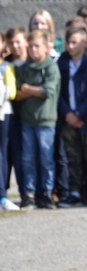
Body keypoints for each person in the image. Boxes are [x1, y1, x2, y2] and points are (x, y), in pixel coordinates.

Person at [56, 26, 87, 207]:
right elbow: (58, 92)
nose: (70, 46)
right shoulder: (61, 64)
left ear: (84, 43)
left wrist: (79, 113)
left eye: (74, 42)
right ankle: (74, 192)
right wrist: (67, 113)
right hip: (68, 119)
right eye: (68, 42)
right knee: (72, 156)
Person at [15, 30, 61, 209]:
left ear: (45, 47)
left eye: (37, 46)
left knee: (46, 158)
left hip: (46, 121)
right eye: (31, 46)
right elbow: (17, 93)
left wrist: (27, 88)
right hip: (27, 120)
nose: (33, 50)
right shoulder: (24, 67)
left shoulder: (50, 67)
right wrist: (30, 89)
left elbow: (48, 91)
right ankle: (29, 194)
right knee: (27, 159)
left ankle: (47, 193)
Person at [4, 27, 27, 199]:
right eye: (11, 43)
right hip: (10, 117)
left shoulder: (33, 61)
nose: (15, 46)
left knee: (23, 158)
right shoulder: (7, 64)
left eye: (18, 41)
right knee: (8, 155)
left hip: (29, 117)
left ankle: (26, 193)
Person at [0, 32, 19, 211]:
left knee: (2, 154)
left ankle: (3, 195)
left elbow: (12, 92)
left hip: (4, 114)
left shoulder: (6, 67)